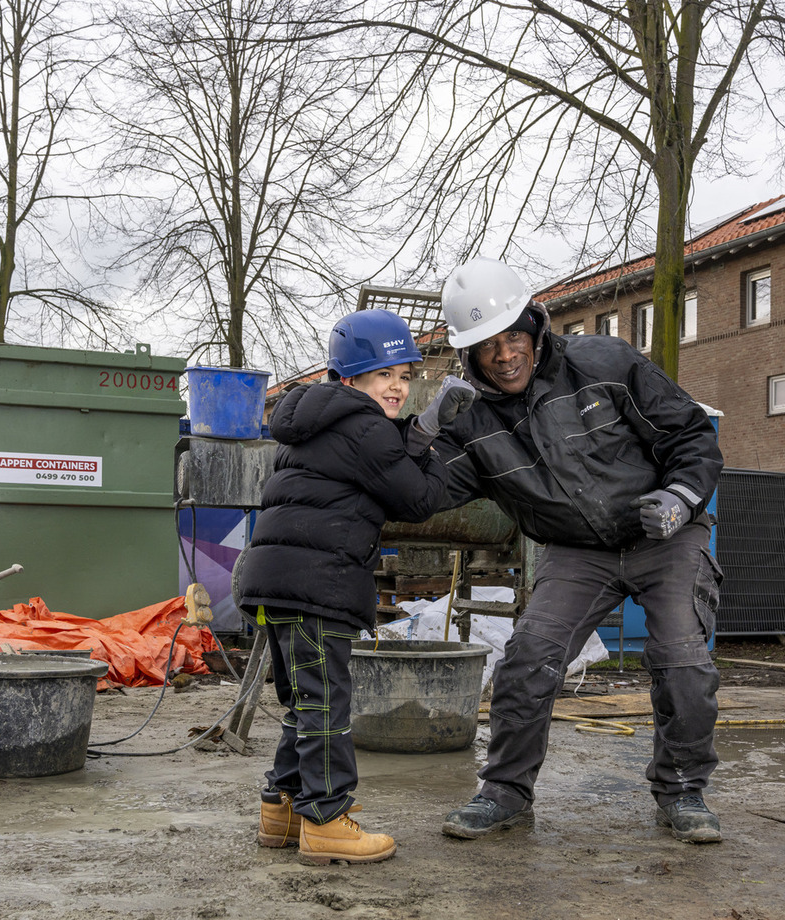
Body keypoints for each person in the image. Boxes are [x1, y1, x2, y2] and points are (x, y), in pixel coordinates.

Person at [430, 257, 726, 844]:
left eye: (513, 335)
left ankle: (683, 790)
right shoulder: (474, 422)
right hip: (574, 551)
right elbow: (419, 490)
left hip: (662, 534)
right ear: (470, 355)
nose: (505, 354)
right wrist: (421, 432)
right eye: (487, 346)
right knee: (527, 659)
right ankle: (505, 792)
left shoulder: (604, 363)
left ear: (534, 325)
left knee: (682, 659)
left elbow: (689, 433)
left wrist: (680, 495)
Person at [235, 308, 477, 866]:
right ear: (351, 381)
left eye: (403, 375)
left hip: (274, 582)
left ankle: (284, 809)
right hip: (316, 584)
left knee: (303, 700)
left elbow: (381, 465)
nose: (397, 386)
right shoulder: (366, 426)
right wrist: (441, 435)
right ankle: (326, 819)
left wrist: (414, 433)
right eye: (382, 376)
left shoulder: (316, 424)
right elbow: (415, 499)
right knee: (326, 705)